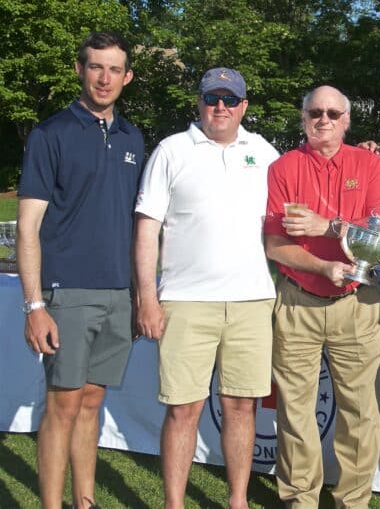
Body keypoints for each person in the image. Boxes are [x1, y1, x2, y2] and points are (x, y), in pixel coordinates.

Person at [132, 67, 279, 509]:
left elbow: (302, 193)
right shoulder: (171, 150)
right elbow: (146, 227)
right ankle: (174, 504)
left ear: (243, 106)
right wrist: (146, 296)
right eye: (212, 98)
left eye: (229, 100)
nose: (220, 107)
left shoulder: (266, 153)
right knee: (183, 410)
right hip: (185, 300)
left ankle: (237, 500)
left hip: (251, 300)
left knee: (241, 407)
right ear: (198, 103)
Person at [16, 32, 144, 509]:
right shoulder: (52, 134)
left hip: (118, 294)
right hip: (66, 293)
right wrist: (35, 306)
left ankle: (84, 500)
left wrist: (138, 293)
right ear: (80, 69)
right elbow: (28, 227)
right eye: (96, 67)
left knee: (92, 401)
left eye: (114, 69)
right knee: (63, 403)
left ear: (127, 76)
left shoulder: (133, 137)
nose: (105, 78)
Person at [264, 85, 380, 509]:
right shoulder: (282, 168)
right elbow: (275, 245)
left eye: (333, 113)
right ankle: (300, 500)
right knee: (296, 413)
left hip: (355, 305)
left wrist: (329, 227)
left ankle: (352, 501)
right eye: (315, 112)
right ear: (304, 118)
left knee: (359, 414)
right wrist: (321, 266)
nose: (324, 119)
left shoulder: (368, 164)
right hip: (298, 301)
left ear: (347, 120)